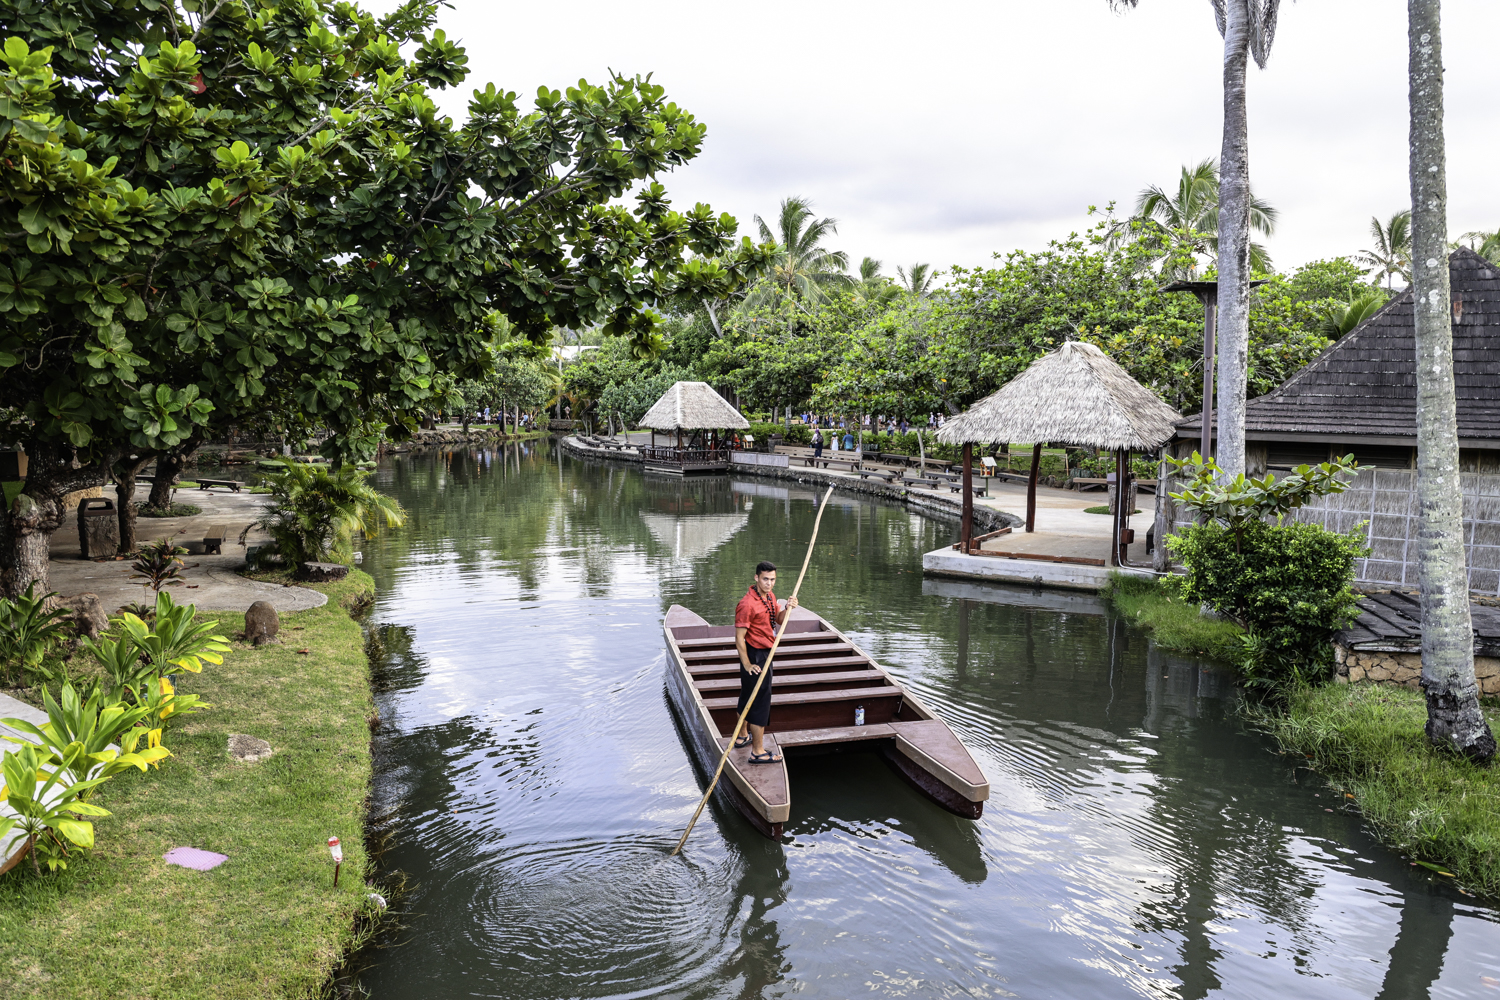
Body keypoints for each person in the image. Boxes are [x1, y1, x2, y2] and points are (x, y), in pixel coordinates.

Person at [734, 561, 798, 763]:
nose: (769, 583)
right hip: (755, 656)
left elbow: (777, 620)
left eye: (772, 580)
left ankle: (742, 736)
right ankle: (757, 751)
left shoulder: (769, 597)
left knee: (748, 696)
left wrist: (788, 608)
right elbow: (739, 638)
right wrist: (746, 663)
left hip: (765, 652)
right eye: (765, 579)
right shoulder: (747, 604)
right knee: (760, 702)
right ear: (756, 578)